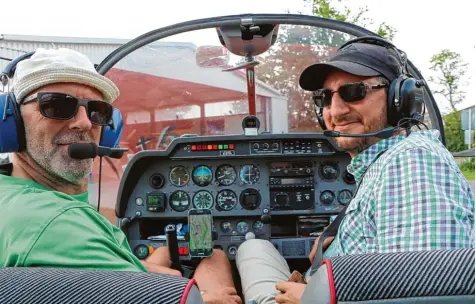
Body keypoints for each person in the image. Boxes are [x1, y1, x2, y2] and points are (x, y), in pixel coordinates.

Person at [236, 39, 475, 304]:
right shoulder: (381, 163)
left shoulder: (412, 160)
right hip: (319, 283)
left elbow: (424, 295)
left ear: (400, 99)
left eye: (354, 92)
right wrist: (335, 238)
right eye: (325, 97)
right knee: (253, 246)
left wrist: (311, 299)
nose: (335, 111)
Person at [0, 48, 241, 304]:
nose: (83, 123)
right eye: (58, 105)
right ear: (10, 120)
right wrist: (210, 296)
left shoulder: (12, 195)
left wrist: (138, 267)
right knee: (216, 258)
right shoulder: (56, 223)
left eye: (98, 111)